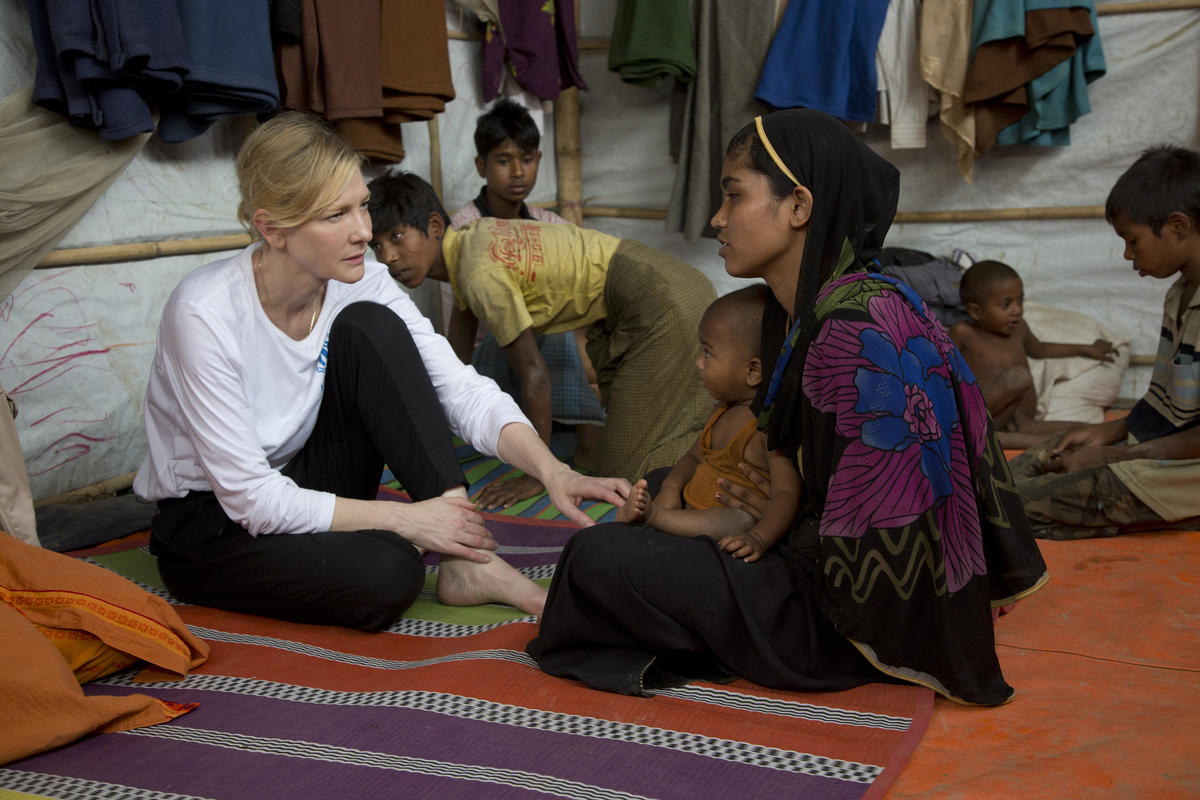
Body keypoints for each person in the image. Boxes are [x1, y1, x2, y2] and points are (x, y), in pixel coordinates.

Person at [526, 109, 1048, 706]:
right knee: (657, 482)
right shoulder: (829, 308)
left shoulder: (851, 333)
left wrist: (773, 525)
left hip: (841, 621)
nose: (716, 219)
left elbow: (873, 541)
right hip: (811, 554)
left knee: (597, 555)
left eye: (732, 196)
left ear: (798, 206)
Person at [133, 112, 628, 631]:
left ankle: (466, 559)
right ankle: (440, 537)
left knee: (373, 325)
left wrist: (552, 470)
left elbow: (457, 387)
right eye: (336, 216)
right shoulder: (204, 312)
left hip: (302, 474)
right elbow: (251, 498)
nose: (364, 232)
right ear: (271, 227)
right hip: (214, 521)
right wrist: (405, 519)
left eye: (362, 206)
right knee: (390, 573)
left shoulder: (360, 279)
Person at [367, 172, 716, 487]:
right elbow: (454, 367)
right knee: (646, 435)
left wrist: (538, 474)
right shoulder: (470, 243)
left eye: (397, 237)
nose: (388, 257)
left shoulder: (478, 274)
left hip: (660, 296)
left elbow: (535, 375)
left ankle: (717, 481)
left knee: (626, 477)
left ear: (435, 225)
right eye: (377, 245)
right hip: (654, 284)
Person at [1011, 145, 1200, 539]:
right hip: (1158, 451)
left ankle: (1167, 513)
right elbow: (1167, 404)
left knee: (1006, 510)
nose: (1128, 255)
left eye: (1132, 240)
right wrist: (1107, 433)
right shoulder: (1179, 296)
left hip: (1183, 473)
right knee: (1019, 469)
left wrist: (1113, 456)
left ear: (1178, 227)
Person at [448, 99, 605, 504]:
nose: (518, 172)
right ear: (481, 166)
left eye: (528, 159)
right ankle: (577, 443)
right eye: (503, 160)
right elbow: (461, 327)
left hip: (543, 369)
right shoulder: (464, 227)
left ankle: (579, 433)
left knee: (573, 334)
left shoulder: (550, 225)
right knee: (543, 328)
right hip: (494, 359)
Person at [616, 284, 802, 564]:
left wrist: (758, 538)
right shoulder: (721, 411)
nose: (698, 363)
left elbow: (786, 493)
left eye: (708, 353)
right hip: (688, 509)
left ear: (752, 371)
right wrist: (670, 489)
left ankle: (653, 517)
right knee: (658, 476)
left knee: (734, 519)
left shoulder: (765, 428)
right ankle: (655, 519)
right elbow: (692, 457)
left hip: (726, 527)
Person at [949, 259, 1117, 447]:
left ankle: (990, 440)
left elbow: (1040, 350)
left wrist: (1086, 348)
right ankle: (974, 435)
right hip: (979, 418)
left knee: (1086, 430)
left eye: (1020, 301)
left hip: (1021, 422)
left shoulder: (1019, 328)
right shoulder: (964, 333)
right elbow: (940, 373)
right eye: (1006, 304)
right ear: (975, 311)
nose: (1017, 310)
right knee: (1018, 377)